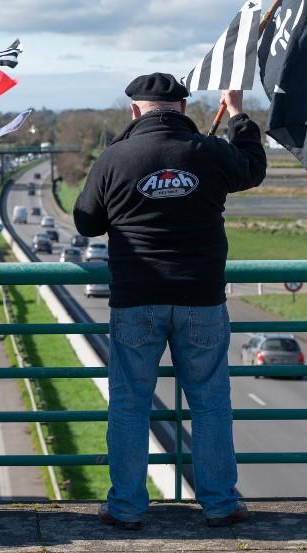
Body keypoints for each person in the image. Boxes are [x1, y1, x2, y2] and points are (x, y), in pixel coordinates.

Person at [73, 75, 266, 530]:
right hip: (201, 297)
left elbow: (85, 222)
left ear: (135, 111)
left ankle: (126, 508)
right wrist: (236, 114)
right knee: (211, 404)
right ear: (183, 107)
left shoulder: (115, 157)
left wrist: (125, 148)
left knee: (129, 405)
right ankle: (219, 503)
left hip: (136, 299)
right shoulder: (208, 151)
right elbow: (253, 168)